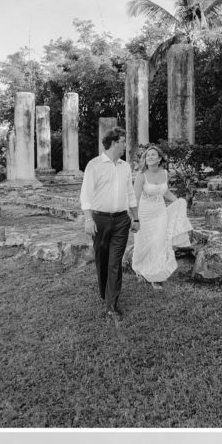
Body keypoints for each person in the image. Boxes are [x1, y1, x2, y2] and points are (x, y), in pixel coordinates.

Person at [79, 126, 139, 320]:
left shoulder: (125, 166)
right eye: (123, 142)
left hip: (122, 220)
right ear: (114, 142)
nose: (125, 146)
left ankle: (112, 305)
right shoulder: (94, 165)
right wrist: (88, 219)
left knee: (115, 262)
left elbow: (130, 193)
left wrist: (135, 218)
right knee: (102, 260)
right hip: (99, 219)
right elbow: (86, 195)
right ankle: (105, 293)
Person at [131, 144, 193, 288]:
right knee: (144, 244)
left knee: (160, 242)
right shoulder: (141, 175)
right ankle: (140, 269)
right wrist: (135, 218)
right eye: (148, 155)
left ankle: (155, 276)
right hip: (144, 214)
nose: (150, 157)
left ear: (159, 159)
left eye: (153, 155)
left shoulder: (165, 173)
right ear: (145, 159)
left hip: (160, 213)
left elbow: (165, 192)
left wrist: (179, 201)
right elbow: (136, 198)